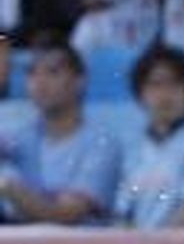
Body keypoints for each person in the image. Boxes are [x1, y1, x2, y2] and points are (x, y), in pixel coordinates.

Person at [0, 39, 122, 225]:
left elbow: (64, 215)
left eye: (52, 72)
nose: (39, 82)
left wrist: (7, 186)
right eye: (32, 73)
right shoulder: (19, 137)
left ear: (80, 81)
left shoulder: (102, 144)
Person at [114, 45, 184, 229]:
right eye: (155, 84)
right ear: (140, 93)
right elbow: (122, 215)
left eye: (175, 84)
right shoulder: (130, 145)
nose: (165, 95)